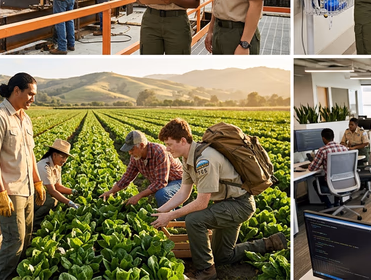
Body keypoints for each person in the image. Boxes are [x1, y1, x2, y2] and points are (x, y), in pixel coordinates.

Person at [152, 118, 286, 280]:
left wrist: (170, 216)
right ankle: (270, 243)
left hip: (239, 205)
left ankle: (206, 271)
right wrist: (159, 212)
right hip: (226, 206)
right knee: (223, 256)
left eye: (169, 144)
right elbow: (183, 193)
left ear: (183, 140)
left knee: (194, 220)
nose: (167, 149)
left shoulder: (204, 160)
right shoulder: (187, 158)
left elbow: (202, 203)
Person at [0, 73, 46, 280]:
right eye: (30, 94)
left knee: (26, 237)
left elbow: (30, 153)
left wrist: (37, 181)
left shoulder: (25, 118)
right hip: (10, 190)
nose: (33, 99)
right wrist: (0, 192)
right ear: (16, 90)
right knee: (14, 241)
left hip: (27, 188)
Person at [100, 130, 183, 207]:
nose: (130, 153)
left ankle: (172, 217)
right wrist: (111, 192)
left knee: (162, 194)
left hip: (179, 181)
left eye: (132, 149)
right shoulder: (135, 157)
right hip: (165, 183)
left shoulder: (159, 152)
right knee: (160, 193)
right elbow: (127, 177)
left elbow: (161, 183)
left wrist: (139, 196)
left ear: (142, 145)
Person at [33, 139, 78, 229]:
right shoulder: (44, 166)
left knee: (59, 198)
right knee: (52, 201)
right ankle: (35, 223)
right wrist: (70, 203)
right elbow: (52, 191)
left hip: (42, 194)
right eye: (62, 157)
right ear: (54, 155)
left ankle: (44, 219)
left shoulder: (57, 165)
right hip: (32, 195)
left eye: (66, 158)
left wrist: (73, 191)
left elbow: (58, 186)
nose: (64, 160)